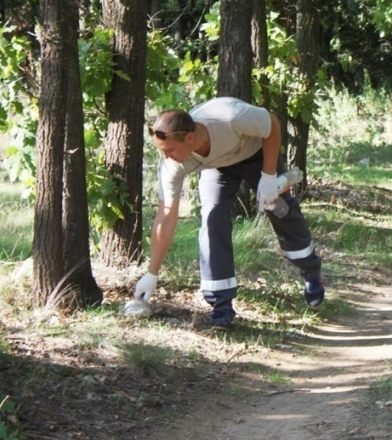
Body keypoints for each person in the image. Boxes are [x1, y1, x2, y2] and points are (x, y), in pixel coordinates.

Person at [132, 97, 325, 329]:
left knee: (280, 208)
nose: (166, 157)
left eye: (170, 150)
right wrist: (152, 273)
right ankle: (221, 305)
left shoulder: (230, 116)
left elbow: (272, 124)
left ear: (190, 138)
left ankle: (310, 271)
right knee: (212, 220)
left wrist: (270, 175)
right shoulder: (173, 164)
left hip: (256, 154)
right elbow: (166, 215)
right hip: (218, 168)